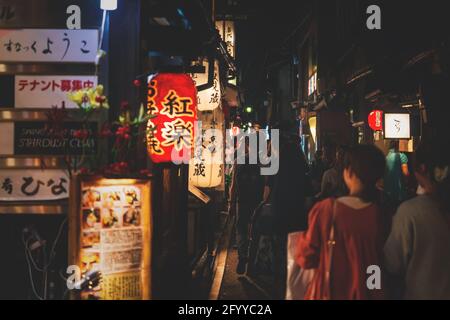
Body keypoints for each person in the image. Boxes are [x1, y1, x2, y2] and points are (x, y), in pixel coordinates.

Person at [296, 144, 386, 300]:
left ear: (349, 171)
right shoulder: (381, 215)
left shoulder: (326, 211)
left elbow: (306, 257)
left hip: (329, 292)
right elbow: (378, 265)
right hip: (367, 293)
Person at [383, 138, 450, 300]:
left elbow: (391, 264)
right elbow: (405, 175)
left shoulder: (410, 213)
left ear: (422, 169)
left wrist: (373, 285)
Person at [262, 121, 311, 298]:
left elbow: (267, 187)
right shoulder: (302, 168)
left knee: (278, 242)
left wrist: (264, 203)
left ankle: (278, 276)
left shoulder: (276, 164)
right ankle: (292, 277)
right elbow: (308, 194)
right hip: (296, 211)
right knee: (294, 245)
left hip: (279, 207)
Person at [229, 132, 265, 275]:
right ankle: (251, 261)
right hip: (257, 201)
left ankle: (242, 256)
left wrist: (231, 202)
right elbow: (266, 184)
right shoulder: (262, 161)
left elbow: (233, 185)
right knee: (256, 230)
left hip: (241, 200)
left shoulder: (239, 161)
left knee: (241, 229)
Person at [384, 140, 409, 204]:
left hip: (388, 191)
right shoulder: (402, 156)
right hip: (399, 191)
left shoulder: (386, 157)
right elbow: (405, 173)